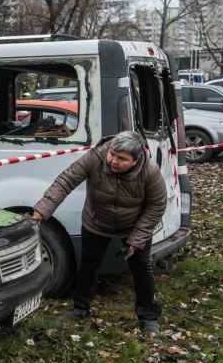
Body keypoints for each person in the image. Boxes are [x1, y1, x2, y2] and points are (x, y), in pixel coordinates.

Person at [31, 130, 167, 336]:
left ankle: (148, 317)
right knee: (88, 263)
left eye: (122, 159)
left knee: (141, 267)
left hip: (134, 224)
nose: (113, 160)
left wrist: (137, 238)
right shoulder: (96, 156)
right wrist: (43, 209)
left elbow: (157, 205)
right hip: (97, 221)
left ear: (135, 160)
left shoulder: (149, 171)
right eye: (113, 154)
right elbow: (66, 180)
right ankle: (80, 308)